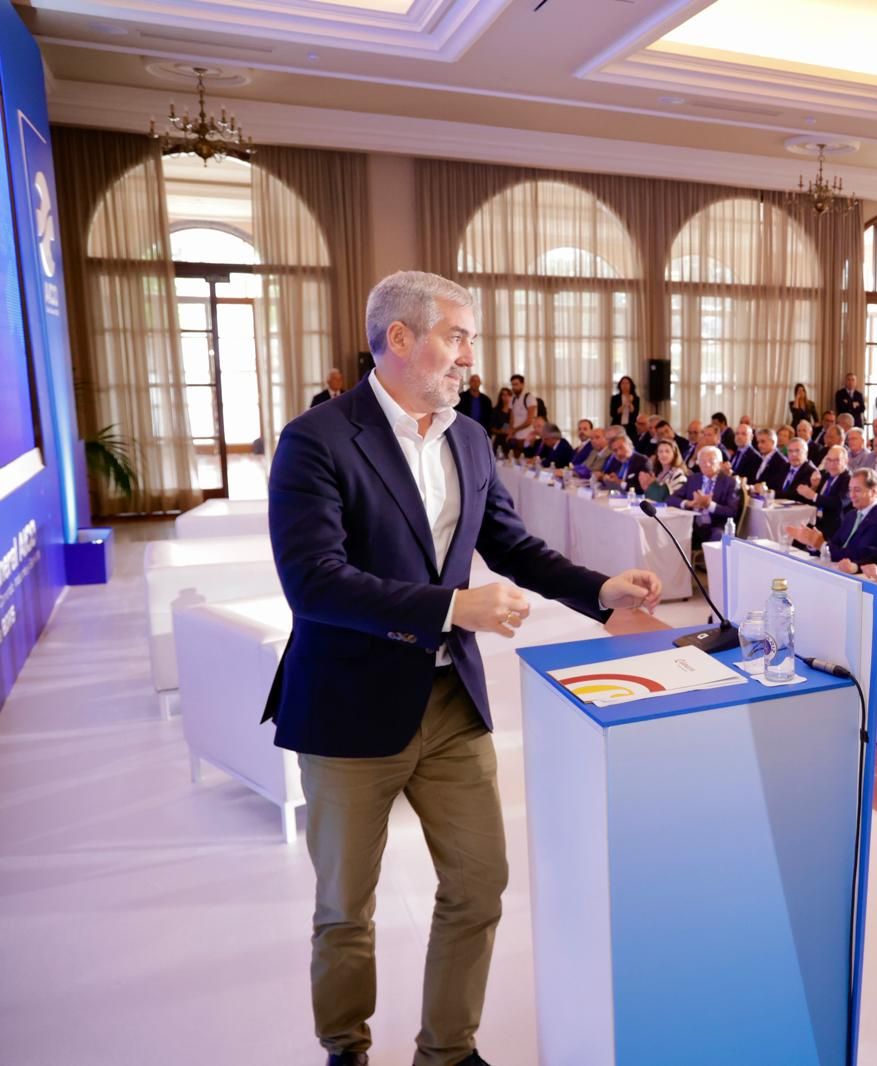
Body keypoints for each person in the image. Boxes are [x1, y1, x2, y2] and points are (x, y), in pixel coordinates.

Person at [266, 271, 662, 1066]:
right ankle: (345, 1048)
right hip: (347, 705)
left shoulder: (469, 437)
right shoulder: (316, 440)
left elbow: (509, 543)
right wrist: (453, 608)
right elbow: (315, 582)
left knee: (479, 885)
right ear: (400, 338)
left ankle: (446, 1051)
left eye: (470, 339)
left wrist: (598, 590)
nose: (470, 357)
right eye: (457, 337)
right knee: (345, 908)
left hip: (449, 702)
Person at [790, 469, 877, 566]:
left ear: (874, 492)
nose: (851, 495)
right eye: (850, 490)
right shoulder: (851, 515)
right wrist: (813, 543)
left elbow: (861, 556)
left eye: (857, 490)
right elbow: (834, 544)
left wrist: (822, 545)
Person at [670, 444, 741, 548]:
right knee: (672, 531)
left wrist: (709, 505)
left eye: (711, 461)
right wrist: (688, 503)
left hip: (715, 525)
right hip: (693, 524)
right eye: (702, 461)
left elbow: (732, 511)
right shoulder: (693, 479)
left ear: (720, 463)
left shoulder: (730, 482)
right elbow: (671, 499)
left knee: (719, 536)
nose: (707, 464)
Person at [794, 444, 851, 539]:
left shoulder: (849, 479)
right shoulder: (825, 475)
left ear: (846, 461)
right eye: (829, 460)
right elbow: (814, 499)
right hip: (816, 521)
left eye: (836, 460)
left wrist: (813, 495)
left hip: (834, 526)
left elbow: (839, 502)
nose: (832, 464)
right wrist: (813, 487)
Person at [638, 439, 688, 503]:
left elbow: (672, 498)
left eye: (667, 451)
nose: (663, 454)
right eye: (660, 451)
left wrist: (652, 485)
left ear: (674, 454)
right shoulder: (658, 473)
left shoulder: (678, 474)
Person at [745, 428, 790, 492]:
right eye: (758, 442)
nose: (759, 445)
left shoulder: (782, 462)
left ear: (773, 442)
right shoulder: (759, 458)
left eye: (763, 441)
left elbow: (776, 486)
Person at [488, 387, 514, 451]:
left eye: (508, 395)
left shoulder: (514, 410)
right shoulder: (496, 411)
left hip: (513, 439)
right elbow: (491, 427)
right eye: (503, 395)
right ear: (501, 397)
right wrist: (500, 431)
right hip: (500, 439)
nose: (506, 397)